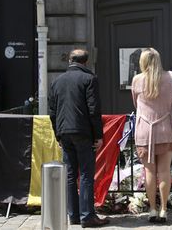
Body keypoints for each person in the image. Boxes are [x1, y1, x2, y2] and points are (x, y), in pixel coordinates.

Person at [48, 49, 109, 228]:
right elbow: (93, 110)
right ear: (86, 62)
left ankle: (73, 215)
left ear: (69, 60)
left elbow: (52, 111)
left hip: (64, 132)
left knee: (70, 175)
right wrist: (98, 135)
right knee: (86, 174)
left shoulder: (57, 81)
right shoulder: (89, 79)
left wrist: (57, 134)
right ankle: (87, 216)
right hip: (83, 132)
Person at [131, 48, 172, 223]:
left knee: (149, 171)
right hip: (166, 128)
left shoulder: (137, 80)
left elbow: (136, 104)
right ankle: (164, 210)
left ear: (143, 62)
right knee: (164, 171)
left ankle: (152, 209)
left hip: (145, 129)